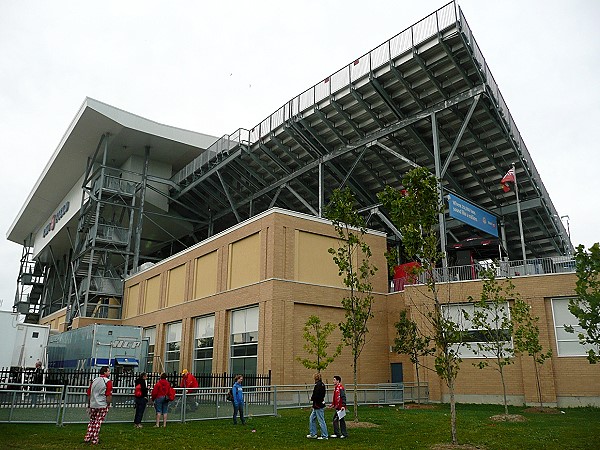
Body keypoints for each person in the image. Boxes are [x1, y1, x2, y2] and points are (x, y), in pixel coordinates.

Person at [84, 366, 112, 445]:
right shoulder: (107, 381)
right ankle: (95, 438)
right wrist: (108, 403)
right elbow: (108, 394)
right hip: (102, 404)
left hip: (93, 403)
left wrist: (89, 404)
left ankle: (88, 436)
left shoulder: (94, 380)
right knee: (98, 421)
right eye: (108, 371)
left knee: (92, 420)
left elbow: (89, 393)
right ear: (105, 372)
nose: (109, 373)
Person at [307, 372, 328, 440]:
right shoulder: (322, 384)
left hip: (318, 405)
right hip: (318, 405)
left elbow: (316, 395)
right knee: (312, 418)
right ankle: (313, 433)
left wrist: (312, 398)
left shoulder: (318, 385)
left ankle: (324, 435)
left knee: (321, 420)